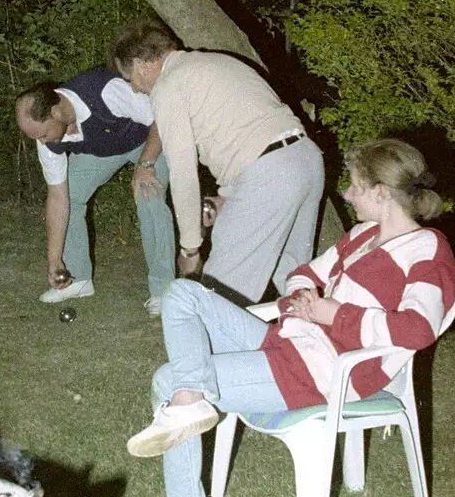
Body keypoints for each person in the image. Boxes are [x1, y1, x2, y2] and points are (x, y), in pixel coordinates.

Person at [127, 139, 455, 497]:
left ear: (380, 192)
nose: (347, 194)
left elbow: (417, 328)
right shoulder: (361, 236)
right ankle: (192, 401)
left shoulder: (428, 251)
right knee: (183, 293)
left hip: (323, 372)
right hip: (291, 343)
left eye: (356, 186)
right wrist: (303, 295)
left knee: (168, 381)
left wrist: (331, 312)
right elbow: (303, 271)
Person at [111, 20, 325, 306]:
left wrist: (190, 248)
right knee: (294, 282)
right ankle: (305, 347)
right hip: (306, 159)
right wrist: (226, 198)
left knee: (220, 295)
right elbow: (249, 133)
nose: (135, 90)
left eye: (130, 80)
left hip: (269, 173)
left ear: (140, 64)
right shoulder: (215, 61)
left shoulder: (168, 85)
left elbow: (183, 172)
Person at [15, 67, 175, 315]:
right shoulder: (47, 139)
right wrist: (54, 260)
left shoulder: (105, 91)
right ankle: (77, 279)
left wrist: (146, 164)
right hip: (104, 151)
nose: (42, 142)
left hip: (148, 139)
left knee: (149, 196)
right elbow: (57, 198)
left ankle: (165, 292)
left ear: (57, 111)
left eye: (44, 134)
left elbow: (161, 117)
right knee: (71, 193)